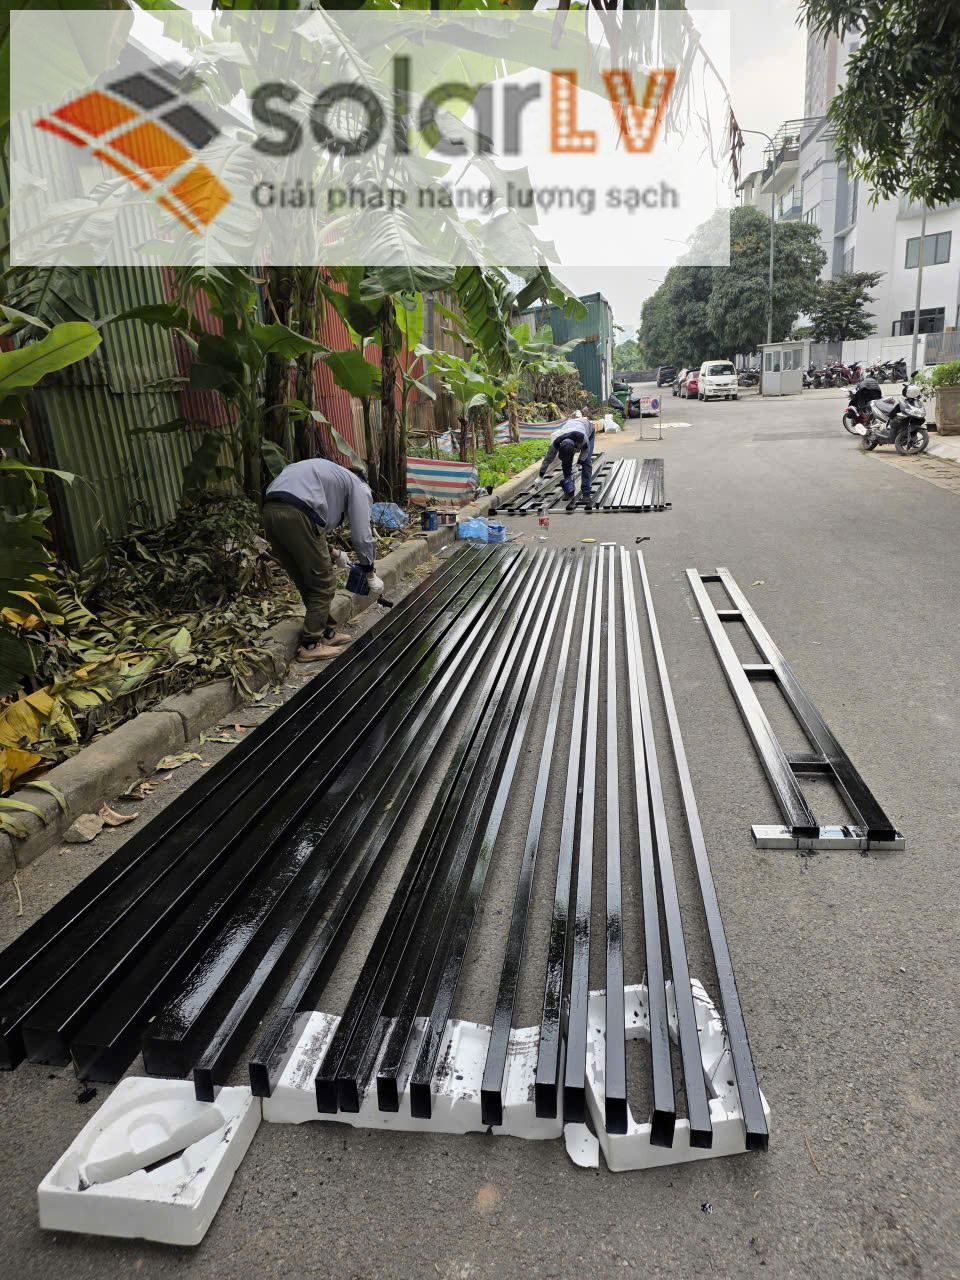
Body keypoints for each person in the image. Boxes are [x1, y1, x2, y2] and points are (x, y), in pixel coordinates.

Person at [263, 457, 383, 662]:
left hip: (270, 510)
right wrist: (370, 572)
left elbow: (309, 535)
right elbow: (362, 535)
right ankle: (310, 645)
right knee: (323, 583)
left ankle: (327, 633)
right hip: (297, 513)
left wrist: (335, 553)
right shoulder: (359, 486)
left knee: (306, 578)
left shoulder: (329, 475)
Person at [536, 410, 595, 508]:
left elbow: (585, 452)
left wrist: (579, 463)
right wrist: (540, 476)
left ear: (575, 447)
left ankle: (586, 493)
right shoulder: (556, 442)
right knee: (566, 464)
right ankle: (569, 490)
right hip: (570, 427)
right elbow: (547, 459)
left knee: (586, 462)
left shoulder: (582, 438)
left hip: (588, 429)